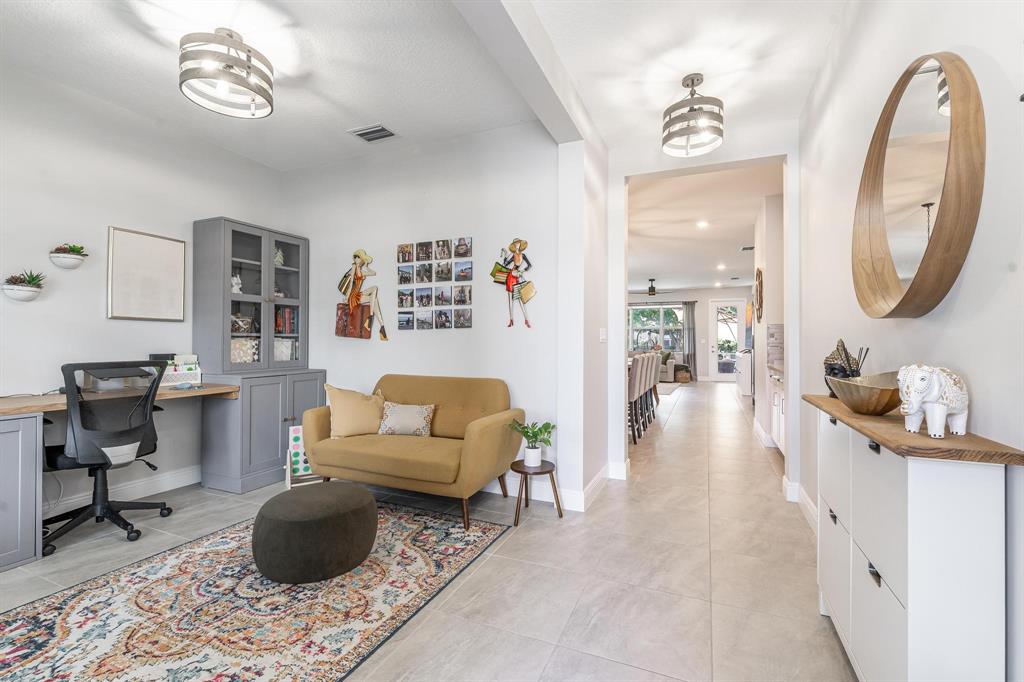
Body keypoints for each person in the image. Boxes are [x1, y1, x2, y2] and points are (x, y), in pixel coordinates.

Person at [338, 249, 388, 340]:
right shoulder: (353, 267)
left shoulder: (361, 272)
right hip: (353, 296)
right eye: (355, 257)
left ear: (361, 259)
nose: (356, 259)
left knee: (375, 289)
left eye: (358, 257)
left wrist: (366, 265)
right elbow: (350, 285)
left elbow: (373, 273)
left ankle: (377, 322)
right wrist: (347, 297)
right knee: (374, 298)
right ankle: (378, 324)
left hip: (358, 294)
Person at [501, 238, 532, 328]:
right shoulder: (513, 255)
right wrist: (506, 255)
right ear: (514, 245)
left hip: (517, 276)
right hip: (511, 276)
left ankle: (526, 319)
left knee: (520, 298)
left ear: (520, 244)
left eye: (518, 243)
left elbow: (529, 265)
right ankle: (511, 319)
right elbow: (505, 264)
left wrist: (522, 271)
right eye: (515, 244)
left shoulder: (523, 255)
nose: (516, 245)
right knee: (510, 300)